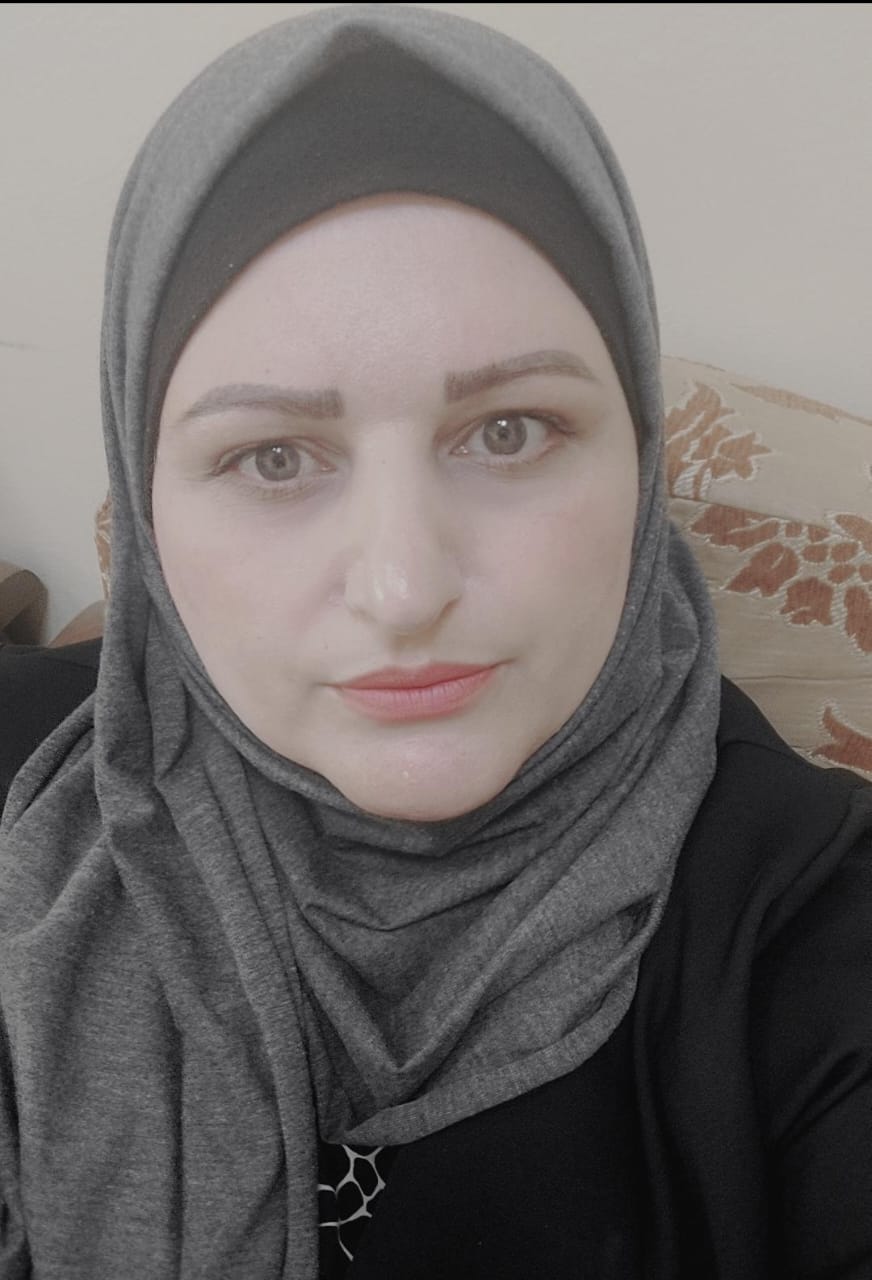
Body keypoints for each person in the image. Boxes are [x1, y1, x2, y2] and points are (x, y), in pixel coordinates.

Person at [0, 6, 870, 1278]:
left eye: (508, 431)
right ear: (145, 506)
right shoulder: (24, 787)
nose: (403, 587)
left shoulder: (811, 930)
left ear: (639, 461)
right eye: (273, 456)